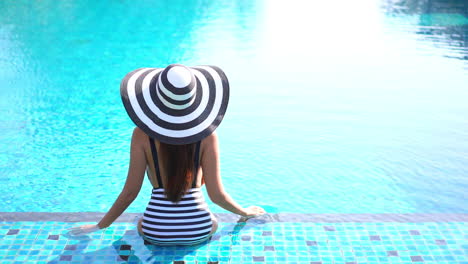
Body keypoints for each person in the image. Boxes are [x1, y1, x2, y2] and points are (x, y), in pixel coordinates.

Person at [70, 64, 265, 245]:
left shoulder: (141, 135)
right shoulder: (208, 136)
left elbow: (130, 192)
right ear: (194, 99)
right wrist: (245, 212)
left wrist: (99, 226)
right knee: (213, 222)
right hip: (200, 229)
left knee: (139, 223)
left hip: (155, 231)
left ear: (156, 98)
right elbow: (217, 196)